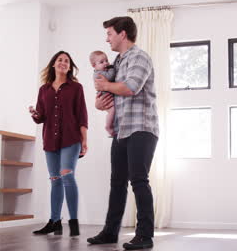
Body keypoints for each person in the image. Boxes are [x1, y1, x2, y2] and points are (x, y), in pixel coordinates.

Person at [87, 16, 159, 250]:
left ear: (122, 34)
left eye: (109, 34)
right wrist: (100, 102)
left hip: (142, 128)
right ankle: (110, 232)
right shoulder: (117, 62)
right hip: (121, 130)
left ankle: (145, 235)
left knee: (138, 180)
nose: (106, 38)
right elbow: (107, 94)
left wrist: (106, 87)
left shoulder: (139, 57)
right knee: (117, 182)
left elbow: (131, 87)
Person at [30, 51, 88, 237]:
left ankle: (74, 222)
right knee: (55, 180)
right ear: (53, 64)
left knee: (67, 176)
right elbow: (41, 117)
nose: (63, 62)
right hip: (50, 141)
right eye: (60, 60)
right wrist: (35, 114)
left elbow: (82, 115)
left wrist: (84, 140)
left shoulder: (76, 88)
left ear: (69, 67)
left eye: (66, 61)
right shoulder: (44, 90)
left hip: (71, 139)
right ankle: (55, 222)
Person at [89, 50, 116, 137]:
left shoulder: (101, 71)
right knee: (113, 110)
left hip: (107, 94)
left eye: (106, 60)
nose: (106, 63)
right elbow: (110, 77)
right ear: (94, 65)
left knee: (113, 112)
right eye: (101, 62)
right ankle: (108, 127)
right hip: (105, 96)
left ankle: (112, 126)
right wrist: (112, 68)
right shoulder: (98, 74)